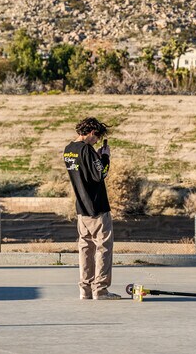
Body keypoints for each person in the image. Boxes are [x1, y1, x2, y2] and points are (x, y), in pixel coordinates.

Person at [63, 117, 120, 300]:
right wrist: (104, 156)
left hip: (81, 207)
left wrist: (96, 156)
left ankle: (85, 289)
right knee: (103, 247)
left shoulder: (69, 150)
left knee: (85, 248)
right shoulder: (87, 150)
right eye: (97, 137)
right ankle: (100, 289)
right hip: (97, 207)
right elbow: (100, 174)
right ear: (92, 133)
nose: (96, 141)